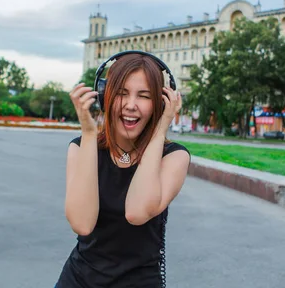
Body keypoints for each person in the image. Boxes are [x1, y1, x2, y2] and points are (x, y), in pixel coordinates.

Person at [55, 51, 191, 287]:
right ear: (105, 97)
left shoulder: (174, 157)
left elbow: (137, 212)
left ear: (160, 102)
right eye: (121, 93)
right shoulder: (81, 148)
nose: (131, 106)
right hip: (78, 280)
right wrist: (89, 133)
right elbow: (82, 223)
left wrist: (160, 129)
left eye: (144, 96)